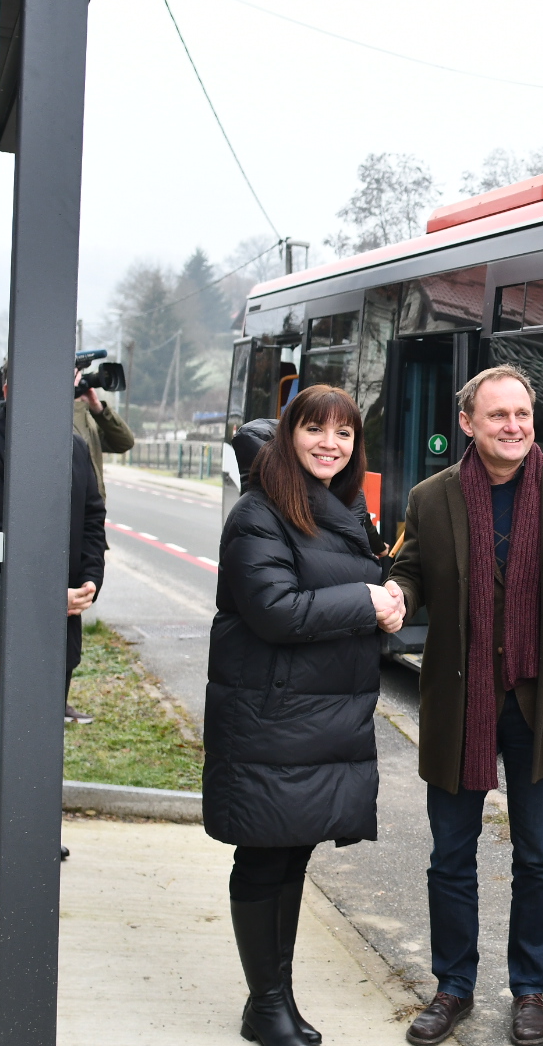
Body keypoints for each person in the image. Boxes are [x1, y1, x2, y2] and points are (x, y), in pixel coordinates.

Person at [389, 365, 543, 1046]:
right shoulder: (431, 498)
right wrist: (396, 594)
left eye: (522, 414)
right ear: (468, 423)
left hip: (542, 700)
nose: (514, 426)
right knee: (451, 854)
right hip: (461, 700)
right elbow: (411, 570)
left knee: (538, 859)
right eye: (498, 416)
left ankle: (529, 991)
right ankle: (452, 987)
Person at [203, 384, 405, 1046]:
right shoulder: (260, 513)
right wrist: (367, 602)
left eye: (343, 433)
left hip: (311, 720)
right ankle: (265, 1004)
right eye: (315, 429)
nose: (330, 443)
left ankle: (276, 999)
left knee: (292, 855)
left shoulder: (340, 508)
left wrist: (389, 602)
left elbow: (348, 599)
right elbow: (275, 610)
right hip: (270, 717)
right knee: (265, 857)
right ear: (290, 434)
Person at [0, 364, 107, 854]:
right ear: (11, 389)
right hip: (9, 618)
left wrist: (90, 580)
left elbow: (93, 516)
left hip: (63, 620)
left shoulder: (74, 446)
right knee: (5, 722)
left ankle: (30, 828)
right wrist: (33, 603)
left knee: (43, 728)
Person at [72, 367, 134, 500]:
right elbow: (76, 443)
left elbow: (124, 442)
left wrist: (98, 409)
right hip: (73, 511)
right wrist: (74, 404)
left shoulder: (86, 418)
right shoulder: (57, 417)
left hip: (93, 512)